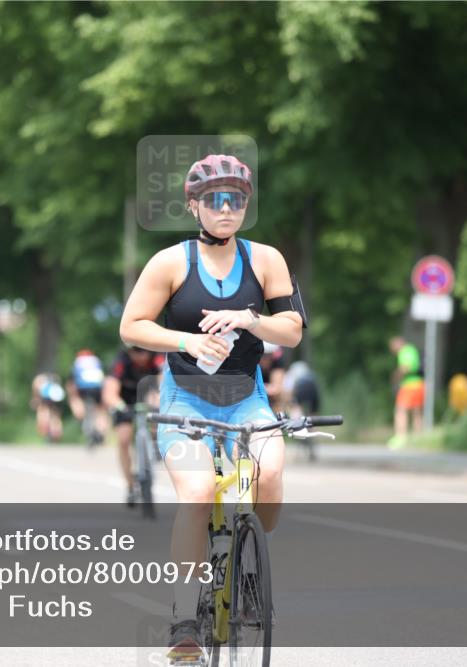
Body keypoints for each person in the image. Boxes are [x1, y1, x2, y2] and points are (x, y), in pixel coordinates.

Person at [119, 154, 304, 663]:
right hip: (185, 400)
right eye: (216, 200)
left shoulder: (265, 259)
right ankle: (184, 619)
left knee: (270, 475)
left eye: (237, 199)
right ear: (194, 205)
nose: (227, 208)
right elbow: (132, 325)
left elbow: (291, 328)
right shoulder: (170, 262)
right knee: (198, 492)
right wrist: (187, 341)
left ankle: (248, 562)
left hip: (247, 397)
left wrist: (250, 319)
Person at [102, 345, 164, 505]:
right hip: (125, 400)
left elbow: (163, 383)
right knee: (123, 438)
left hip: (147, 396)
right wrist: (120, 407)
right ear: (130, 352)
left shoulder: (157, 357)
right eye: (136, 352)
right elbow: (109, 393)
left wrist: (158, 402)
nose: (141, 356)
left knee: (157, 415)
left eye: (144, 351)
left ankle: (155, 446)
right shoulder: (121, 361)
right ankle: (130, 486)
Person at [389, 336, 424, 449]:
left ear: (398, 343)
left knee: (400, 410)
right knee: (416, 412)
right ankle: (418, 438)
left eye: (393, 347)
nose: (392, 350)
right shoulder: (412, 349)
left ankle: (401, 437)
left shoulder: (405, 351)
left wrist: (396, 376)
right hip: (419, 384)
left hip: (409, 385)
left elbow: (405, 367)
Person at [67, 349, 107, 446]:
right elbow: (104, 378)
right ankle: (101, 431)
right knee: (101, 411)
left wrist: (72, 396)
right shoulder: (96, 361)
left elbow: (72, 381)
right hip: (98, 387)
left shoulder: (78, 362)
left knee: (74, 400)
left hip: (83, 389)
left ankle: (81, 417)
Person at [31, 372, 65, 442]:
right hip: (52, 397)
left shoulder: (39, 381)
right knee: (53, 416)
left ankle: (52, 432)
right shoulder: (42, 382)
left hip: (49, 398)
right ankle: (53, 433)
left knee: (46, 415)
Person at [259, 342, 287, 413]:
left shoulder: (277, 363)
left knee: (280, 397)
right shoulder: (251, 362)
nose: (266, 358)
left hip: (271, 398)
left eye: (269, 355)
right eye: (263, 355)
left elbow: (276, 389)